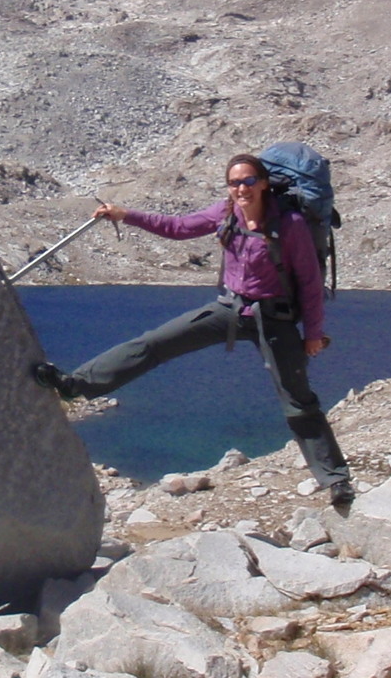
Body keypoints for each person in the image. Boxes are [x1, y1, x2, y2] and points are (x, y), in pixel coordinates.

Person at [31, 152, 356, 508]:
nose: (241, 189)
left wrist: (313, 333)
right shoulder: (226, 212)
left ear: (263, 183)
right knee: (155, 343)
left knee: (297, 399)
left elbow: (310, 283)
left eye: (248, 181)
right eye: (234, 183)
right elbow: (179, 227)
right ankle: (75, 385)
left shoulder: (290, 223)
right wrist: (126, 215)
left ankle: (336, 479)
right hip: (230, 308)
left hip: (275, 318)